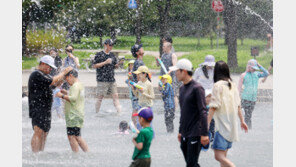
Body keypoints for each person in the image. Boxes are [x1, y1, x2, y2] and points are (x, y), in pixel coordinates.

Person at [207, 61, 248, 167]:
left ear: (216, 72)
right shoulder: (232, 85)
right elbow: (238, 105)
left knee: (218, 156)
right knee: (223, 158)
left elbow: (213, 107)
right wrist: (242, 121)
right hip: (232, 127)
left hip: (222, 126)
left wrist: (206, 124)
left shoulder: (217, 86)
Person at [28, 55, 72, 153]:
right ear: (43, 64)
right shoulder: (36, 74)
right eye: (49, 67)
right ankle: (35, 154)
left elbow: (53, 85)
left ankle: (40, 152)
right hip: (37, 107)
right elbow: (52, 80)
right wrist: (63, 72)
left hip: (46, 108)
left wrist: (64, 77)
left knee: (45, 132)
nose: (50, 69)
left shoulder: (45, 75)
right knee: (38, 131)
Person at [169, 59, 209, 167]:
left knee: (191, 163)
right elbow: (184, 112)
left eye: (177, 71)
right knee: (191, 163)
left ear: (184, 71)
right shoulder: (182, 88)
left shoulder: (197, 88)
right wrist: (180, 131)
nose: (175, 73)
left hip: (196, 132)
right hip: (185, 133)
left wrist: (205, 133)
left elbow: (203, 112)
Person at [55, 70, 89, 152]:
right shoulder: (80, 85)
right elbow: (77, 96)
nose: (67, 81)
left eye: (66, 79)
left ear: (70, 76)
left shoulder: (75, 86)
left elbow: (73, 99)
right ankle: (87, 152)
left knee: (71, 136)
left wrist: (61, 95)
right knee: (77, 136)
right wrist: (66, 92)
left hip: (73, 115)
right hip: (78, 114)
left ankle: (76, 155)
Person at [238, 59, 269, 129]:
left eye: (256, 68)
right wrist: (237, 97)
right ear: (248, 67)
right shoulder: (243, 75)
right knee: (246, 116)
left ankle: (247, 130)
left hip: (253, 99)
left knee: (249, 116)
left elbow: (267, 73)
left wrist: (260, 66)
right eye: (253, 68)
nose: (255, 70)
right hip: (245, 98)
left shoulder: (257, 74)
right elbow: (239, 88)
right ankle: (246, 130)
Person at [92, 39, 121, 114]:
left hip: (111, 79)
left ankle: (119, 112)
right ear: (105, 45)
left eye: (112, 45)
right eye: (110, 45)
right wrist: (105, 62)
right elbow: (94, 65)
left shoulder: (112, 55)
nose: (111, 46)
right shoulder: (99, 54)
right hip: (102, 80)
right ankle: (96, 113)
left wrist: (117, 65)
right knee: (100, 98)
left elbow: (114, 66)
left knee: (116, 96)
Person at [156, 42, 181, 111]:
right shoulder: (163, 55)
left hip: (171, 78)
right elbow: (159, 65)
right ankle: (166, 107)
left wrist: (168, 73)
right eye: (163, 46)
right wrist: (157, 61)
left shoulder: (173, 55)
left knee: (174, 93)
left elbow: (175, 66)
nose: (162, 47)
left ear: (169, 47)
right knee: (163, 92)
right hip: (163, 77)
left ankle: (175, 109)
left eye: (164, 46)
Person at [125, 60, 140, 126]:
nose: (132, 66)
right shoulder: (130, 74)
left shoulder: (134, 73)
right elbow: (129, 81)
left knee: (136, 109)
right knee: (135, 109)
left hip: (135, 94)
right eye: (131, 65)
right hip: (134, 95)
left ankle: (135, 122)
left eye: (133, 65)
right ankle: (134, 123)